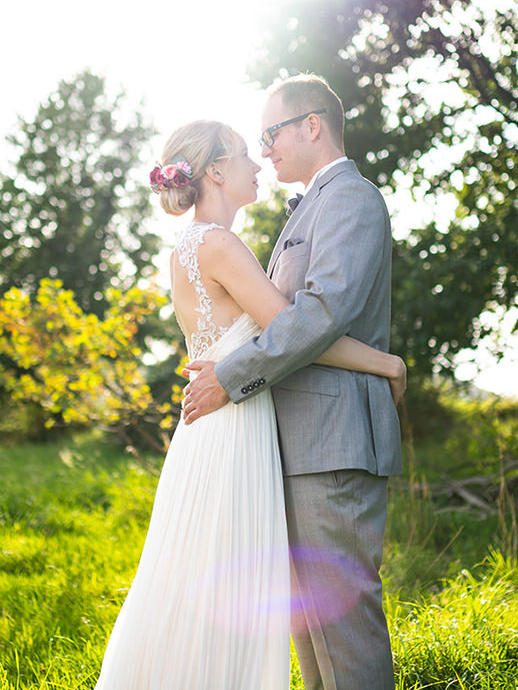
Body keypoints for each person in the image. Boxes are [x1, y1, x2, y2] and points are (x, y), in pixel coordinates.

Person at [95, 118, 405, 690]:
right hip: (234, 427)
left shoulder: (190, 246)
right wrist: (384, 361)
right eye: (243, 153)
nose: (257, 163)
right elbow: (294, 328)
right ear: (215, 170)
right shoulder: (219, 243)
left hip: (215, 426)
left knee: (206, 583)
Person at [182, 75, 402, 690]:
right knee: (314, 632)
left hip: (332, 443)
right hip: (301, 444)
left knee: (343, 633)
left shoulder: (350, 199)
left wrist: (230, 375)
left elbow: (320, 313)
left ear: (313, 125)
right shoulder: (312, 204)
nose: (266, 148)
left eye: (272, 133)